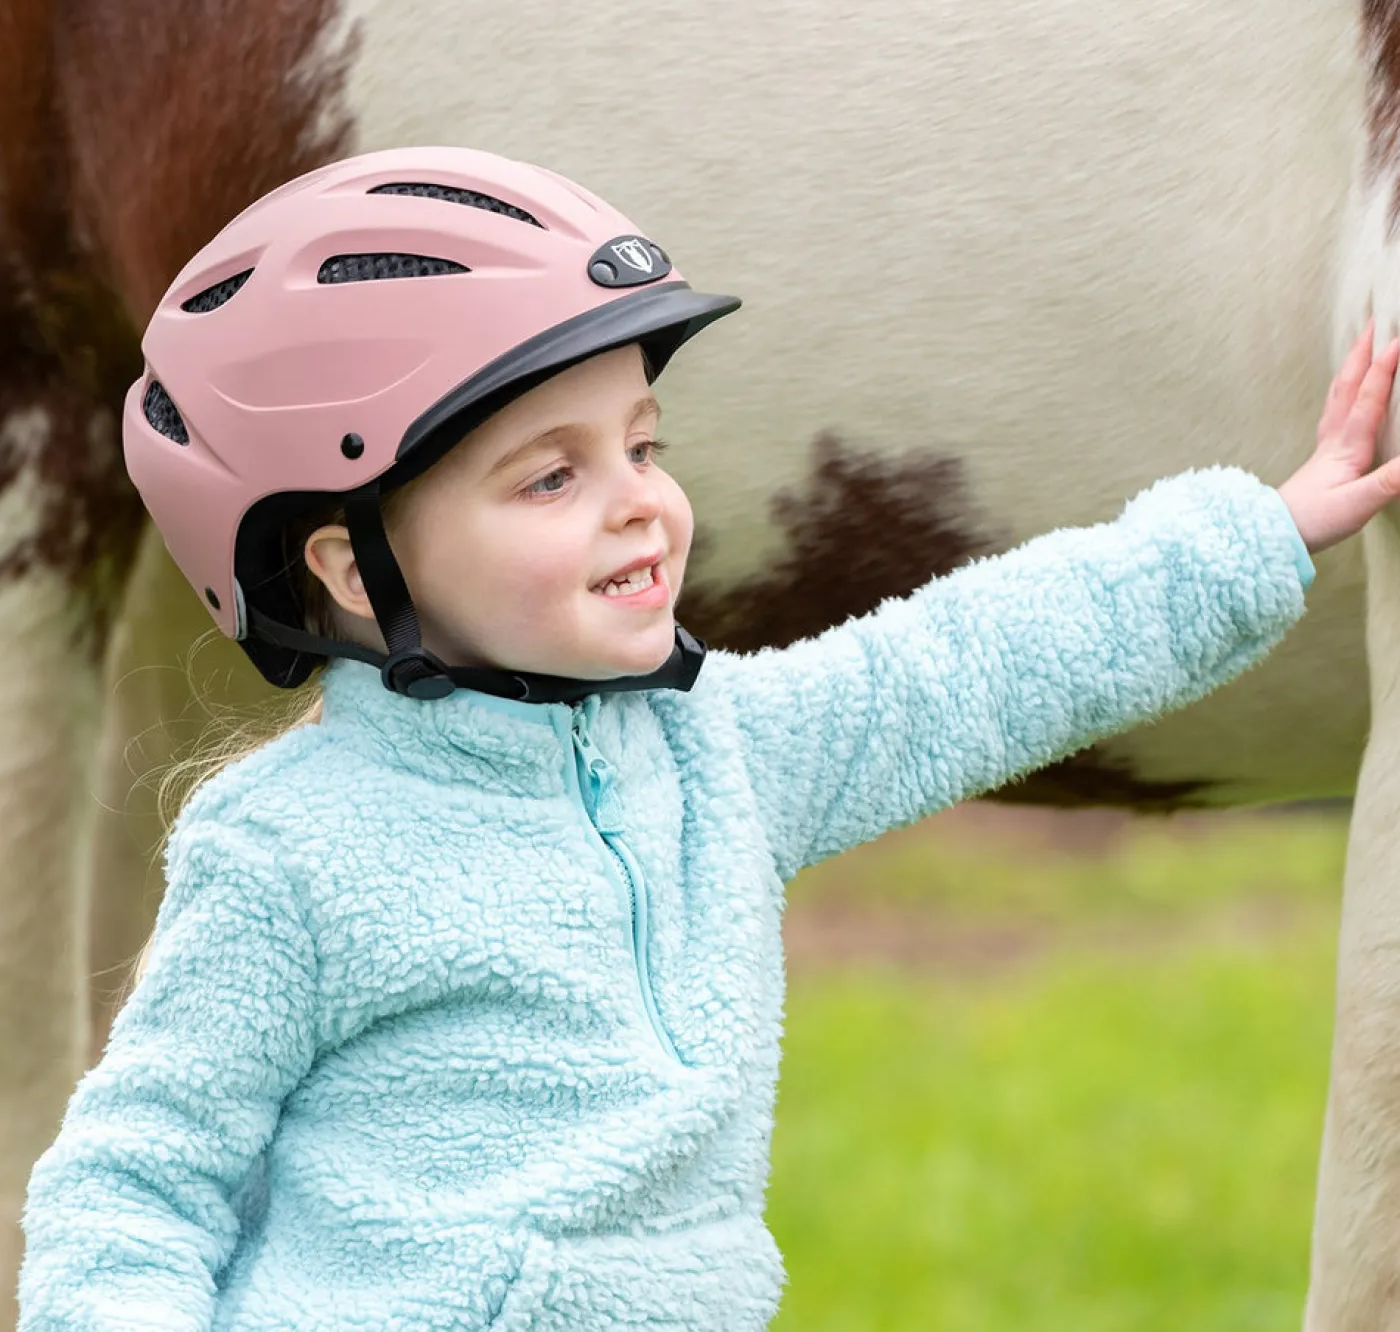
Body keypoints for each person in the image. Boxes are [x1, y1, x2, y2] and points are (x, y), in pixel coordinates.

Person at [15, 144, 1400, 1332]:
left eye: (644, 444)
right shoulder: (288, 853)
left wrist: (1255, 534)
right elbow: (135, 1181)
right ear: (344, 564)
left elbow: (978, 664)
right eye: (553, 474)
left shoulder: (721, 757)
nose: (641, 507)